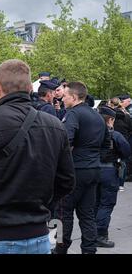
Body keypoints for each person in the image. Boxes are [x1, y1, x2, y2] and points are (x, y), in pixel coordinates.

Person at [0, 59, 75, 255]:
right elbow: (66, 180)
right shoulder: (55, 125)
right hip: (37, 232)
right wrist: (42, 206)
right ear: (29, 88)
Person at [54, 82, 109, 255]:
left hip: (74, 171)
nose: (62, 99)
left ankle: (60, 249)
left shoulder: (73, 114)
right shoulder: (97, 116)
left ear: (74, 97)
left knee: (62, 214)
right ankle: (89, 250)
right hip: (93, 170)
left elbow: (65, 141)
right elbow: (107, 144)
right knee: (87, 214)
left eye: (65, 96)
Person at [96, 106, 131, 248]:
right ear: (110, 120)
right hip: (109, 171)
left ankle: (91, 232)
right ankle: (100, 234)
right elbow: (126, 151)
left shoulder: (89, 133)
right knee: (106, 203)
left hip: (91, 170)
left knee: (94, 203)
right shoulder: (114, 135)